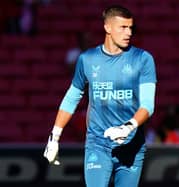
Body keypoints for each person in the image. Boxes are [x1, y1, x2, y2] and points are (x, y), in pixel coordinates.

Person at [43, 5, 157, 187]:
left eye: (130, 27)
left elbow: (148, 105)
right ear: (107, 27)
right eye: (123, 27)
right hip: (98, 144)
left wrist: (127, 127)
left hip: (131, 145)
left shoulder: (143, 59)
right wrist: (55, 137)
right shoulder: (87, 59)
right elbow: (71, 98)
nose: (128, 32)